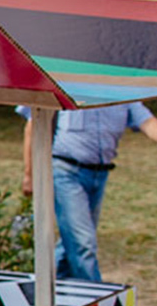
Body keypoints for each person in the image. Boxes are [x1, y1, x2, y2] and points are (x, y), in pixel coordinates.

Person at [20, 103, 157, 282]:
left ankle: (46, 290)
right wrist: (30, 174)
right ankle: (97, 300)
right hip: (65, 171)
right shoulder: (66, 85)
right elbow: (34, 125)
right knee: (83, 244)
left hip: (99, 174)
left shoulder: (122, 93)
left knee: (71, 242)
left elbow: (148, 123)